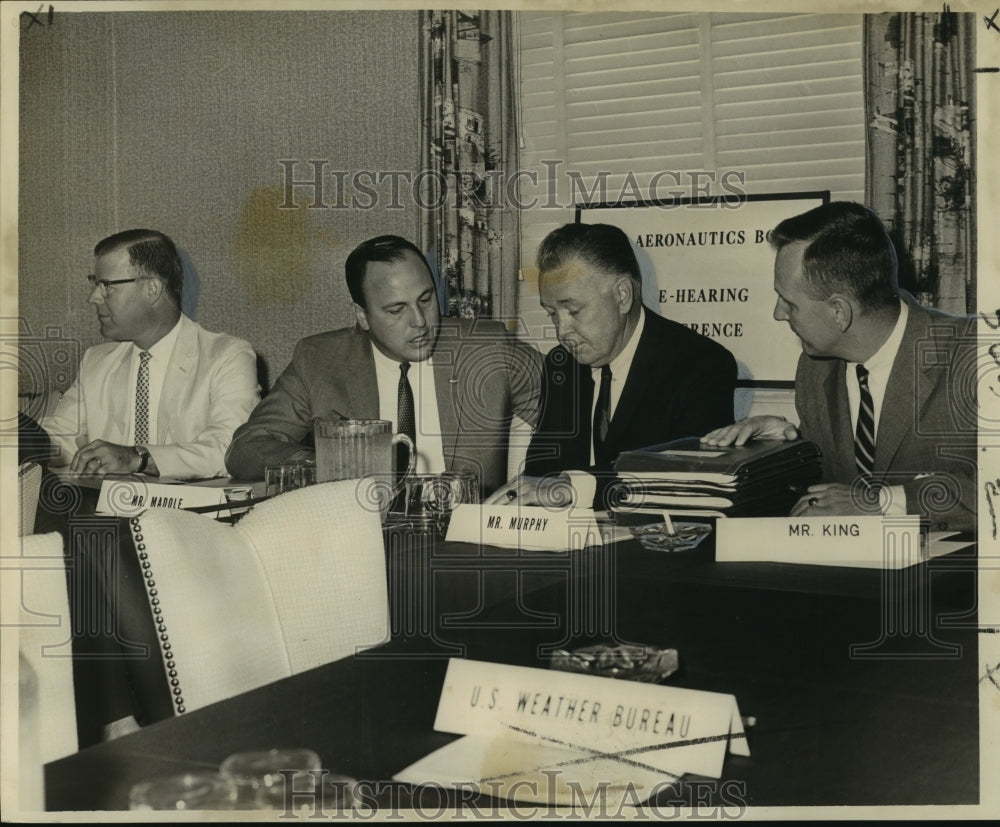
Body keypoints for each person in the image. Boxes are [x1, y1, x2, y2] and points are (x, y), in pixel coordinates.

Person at [702, 201, 976, 532]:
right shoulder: (815, 367)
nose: (778, 313)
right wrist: (782, 446)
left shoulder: (976, 354)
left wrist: (881, 503)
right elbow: (829, 485)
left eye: (789, 303)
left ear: (839, 312)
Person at [225, 235, 543, 497]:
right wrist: (338, 461)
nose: (420, 322)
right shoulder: (319, 360)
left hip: (464, 545)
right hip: (365, 539)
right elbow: (245, 448)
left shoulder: (488, 348)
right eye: (396, 310)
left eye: (426, 299)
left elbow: (573, 394)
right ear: (362, 316)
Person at [490, 222, 738, 507]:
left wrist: (574, 488)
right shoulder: (561, 366)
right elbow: (541, 474)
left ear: (622, 295)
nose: (562, 331)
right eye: (552, 314)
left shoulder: (700, 365)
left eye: (573, 310)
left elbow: (685, 481)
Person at [42, 229, 259, 479]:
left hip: (189, 514)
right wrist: (24, 442)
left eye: (106, 286)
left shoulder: (227, 356)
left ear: (152, 289)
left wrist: (137, 458)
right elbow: (63, 438)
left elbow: (230, 449)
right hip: (108, 512)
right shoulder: (96, 360)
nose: (93, 297)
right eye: (95, 283)